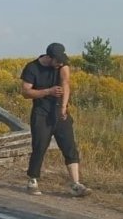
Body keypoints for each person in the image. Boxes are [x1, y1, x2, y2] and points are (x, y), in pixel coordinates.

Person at [20, 43, 92, 197]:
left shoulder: (62, 66)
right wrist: (48, 91)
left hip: (60, 111)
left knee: (69, 147)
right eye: (57, 61)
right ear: (49, 58)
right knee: (39, 146)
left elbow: (66, 84)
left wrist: (64, 107)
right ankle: (33, 180)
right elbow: (26, 92)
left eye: (62, 61)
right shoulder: (32, 68)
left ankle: (76, 184)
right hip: (41, 113)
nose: (60, 64)